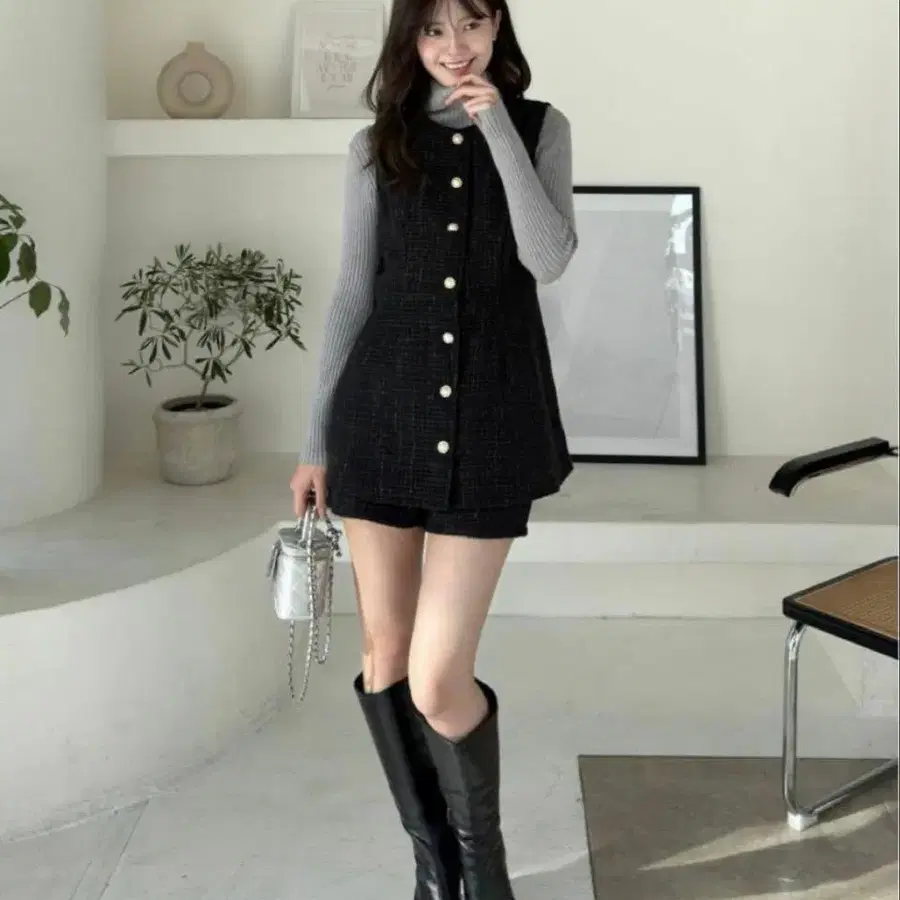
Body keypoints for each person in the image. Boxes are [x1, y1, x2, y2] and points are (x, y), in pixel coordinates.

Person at [290, 0, 576, 896]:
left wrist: (496, 131)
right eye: (434, 29)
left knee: (438, 678)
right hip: (379, 423)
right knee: (386, 656)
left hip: (493, 426)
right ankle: (436, 870)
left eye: (473, 24)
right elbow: (351, 296)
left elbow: (549, 257)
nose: (456, 47)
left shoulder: (541, 128)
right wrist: (314, 443)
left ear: (498, 30)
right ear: (409, 41)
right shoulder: (375, 146)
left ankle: (483, 872)